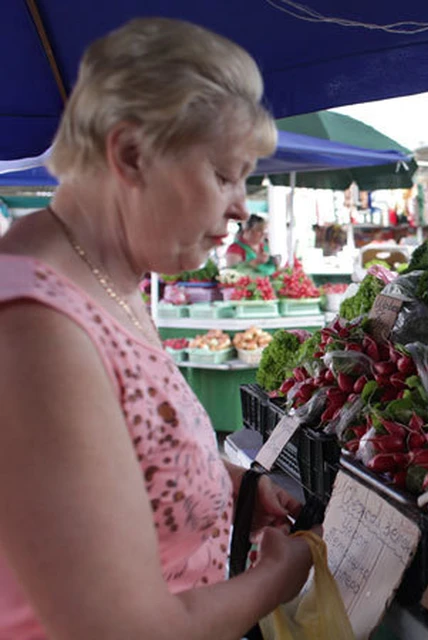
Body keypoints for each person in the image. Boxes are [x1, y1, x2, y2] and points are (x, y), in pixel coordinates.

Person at [0, 18, 320, 639]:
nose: (241, 206)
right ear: (130, 154)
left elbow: (126, 457)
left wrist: (229, 493)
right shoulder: (35, 330)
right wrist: (276, 581)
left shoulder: (113, 277)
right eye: (225, 175)